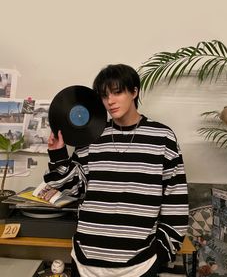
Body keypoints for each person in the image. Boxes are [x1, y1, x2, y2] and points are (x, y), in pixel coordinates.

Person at [45, 64, 189, 277]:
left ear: (134, 91)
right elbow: (72, 189)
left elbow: (175, 199)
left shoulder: (162, 138)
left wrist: (162, 251)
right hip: (86, 261)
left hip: (139, 265)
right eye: (104, 95)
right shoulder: (91, 136)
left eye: (117, 92)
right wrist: (58, 154)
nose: (110, 101)